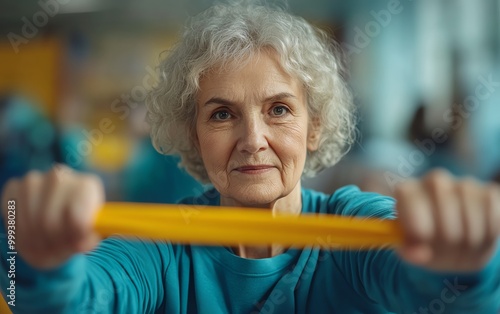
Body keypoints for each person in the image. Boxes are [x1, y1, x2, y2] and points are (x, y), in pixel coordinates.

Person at [1, 3, 499, 313]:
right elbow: (75, 300)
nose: (253, 139)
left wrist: (462, 265)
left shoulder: (355, 224)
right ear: (193, 137)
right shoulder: (160, 244)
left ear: (314, 125)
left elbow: (437, 291)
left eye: (279, 109)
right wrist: (42, 264)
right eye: (221, 115)